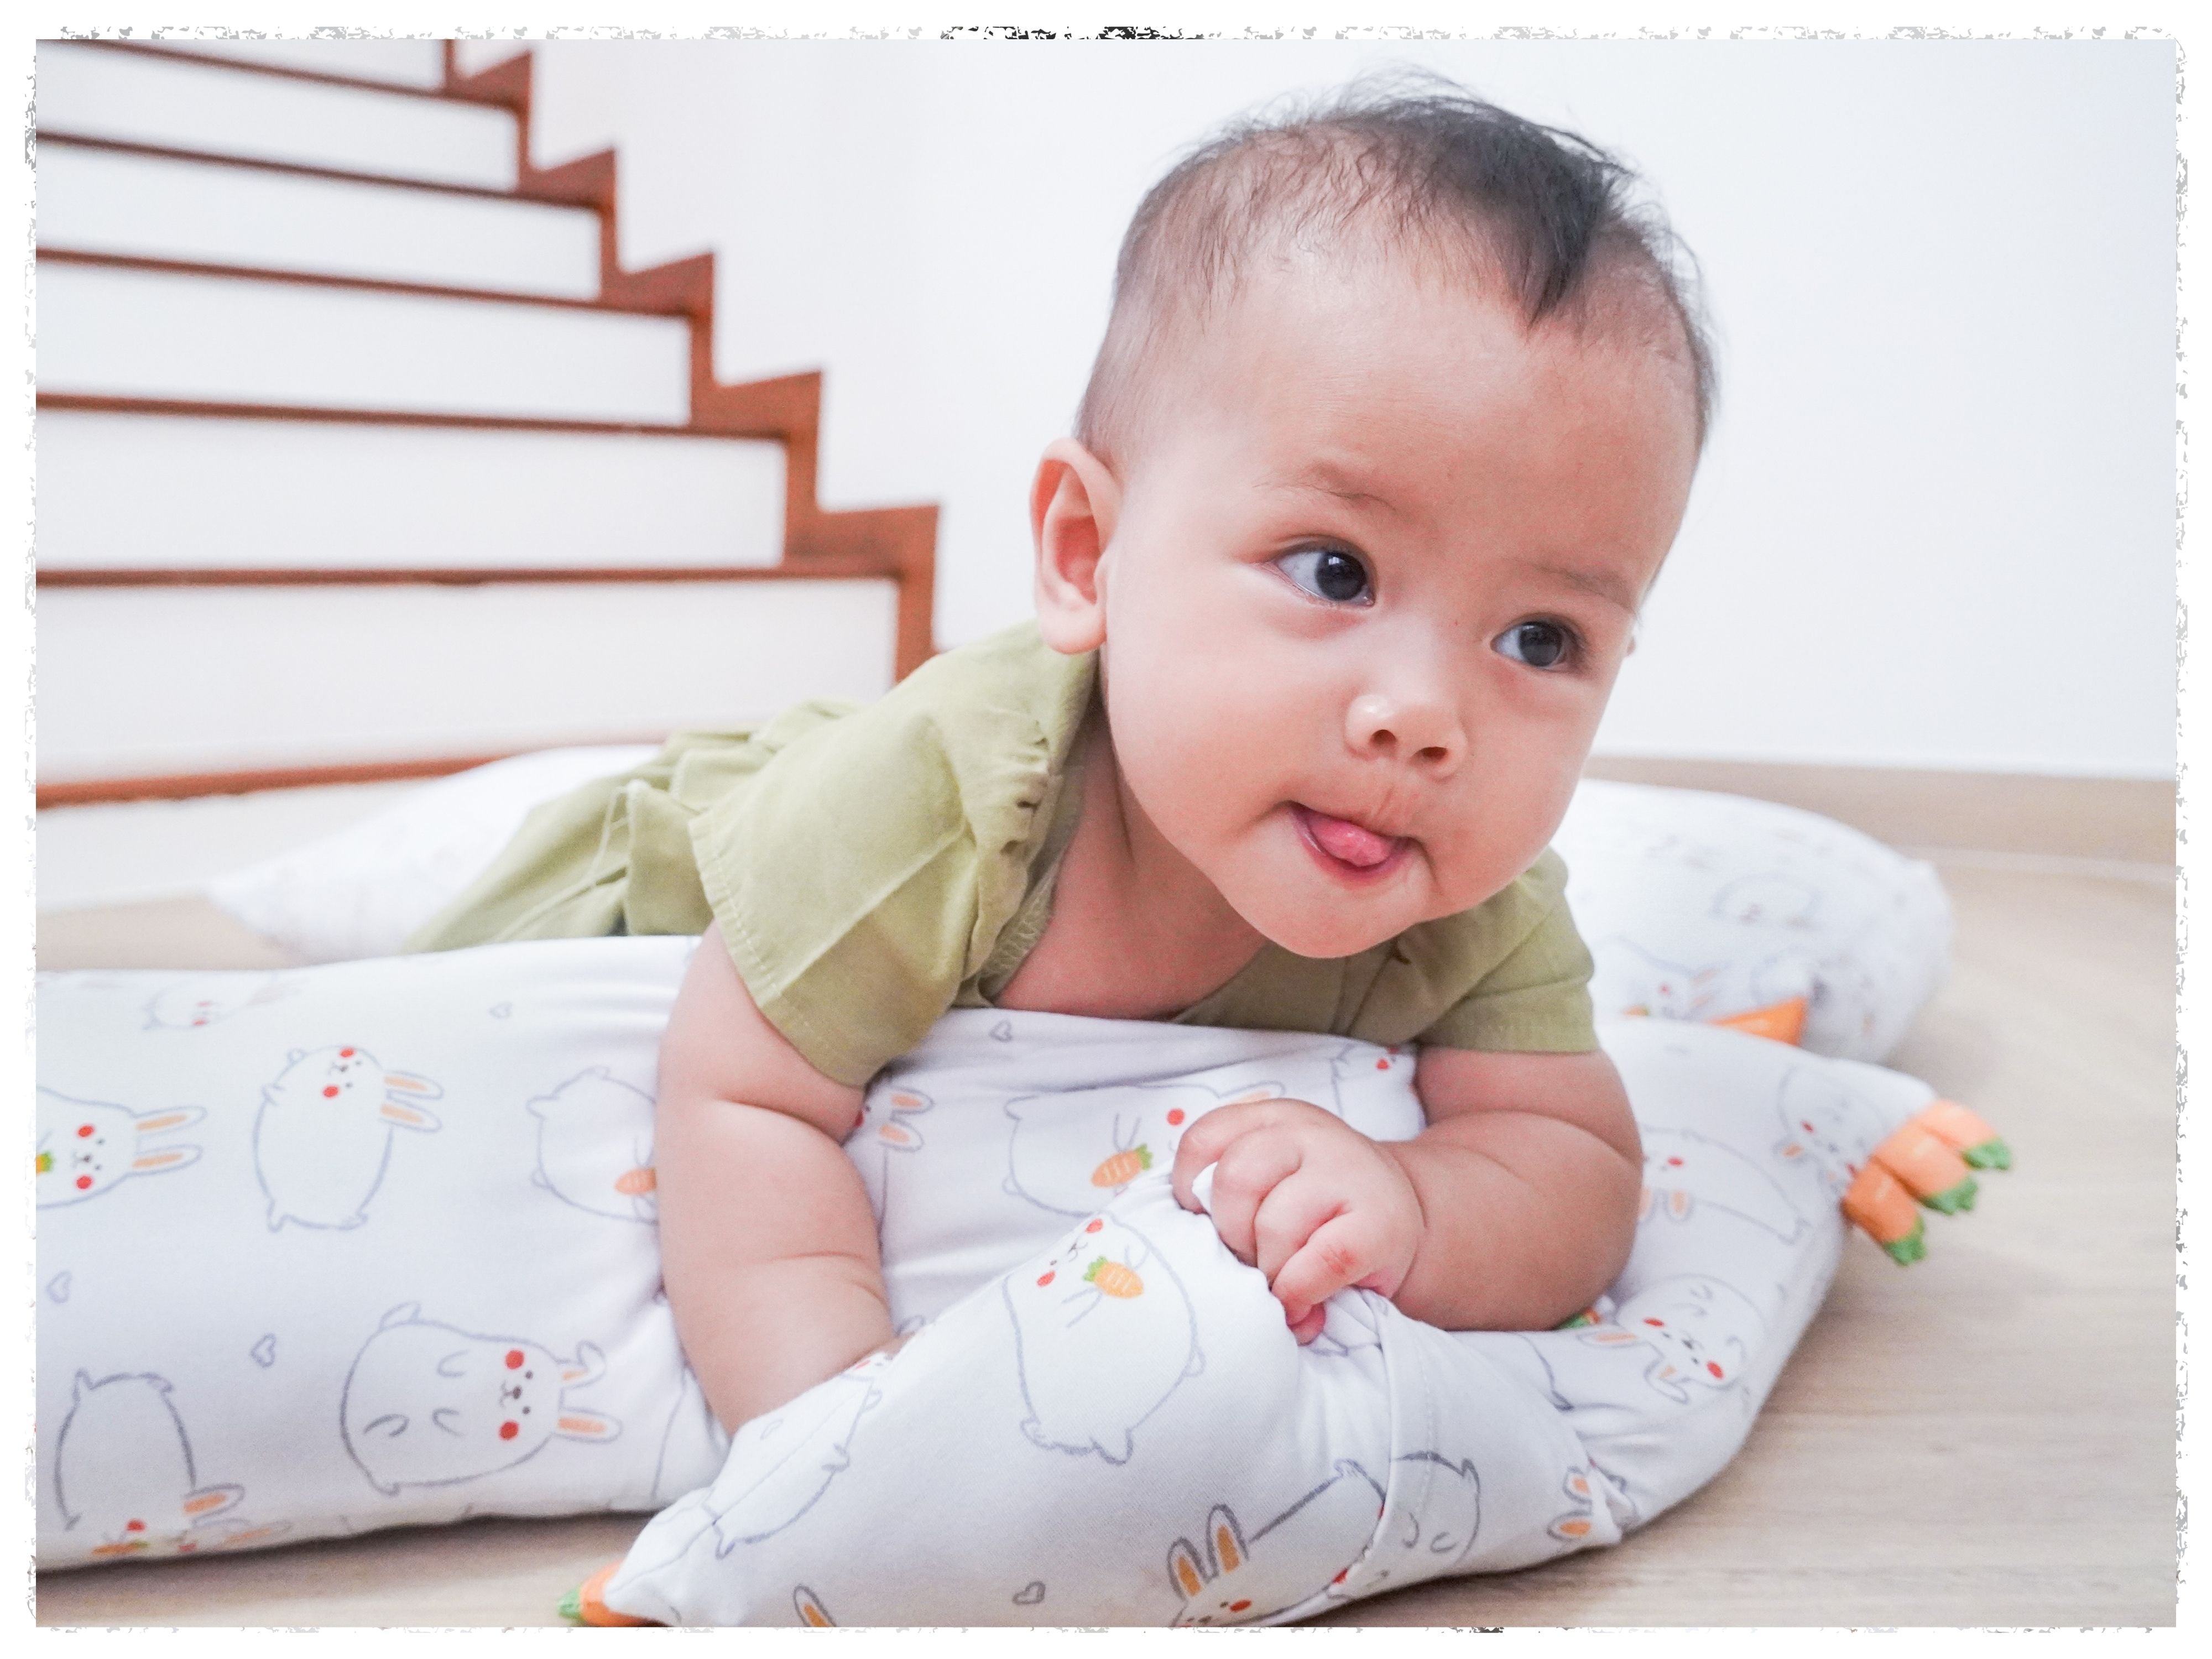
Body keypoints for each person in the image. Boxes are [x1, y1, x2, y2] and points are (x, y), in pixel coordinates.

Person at [410, 75, 1713, 1436]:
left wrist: (1417, 1206)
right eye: (1336, 571)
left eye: (1541, 640)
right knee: (445, 1060)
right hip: (667, 878)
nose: (1423, 715)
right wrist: (840, 1442)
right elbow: (746, 1098)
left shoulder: (1479, 897)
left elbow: (1569, 1162)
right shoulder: (950, 796)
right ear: (1085, 557)